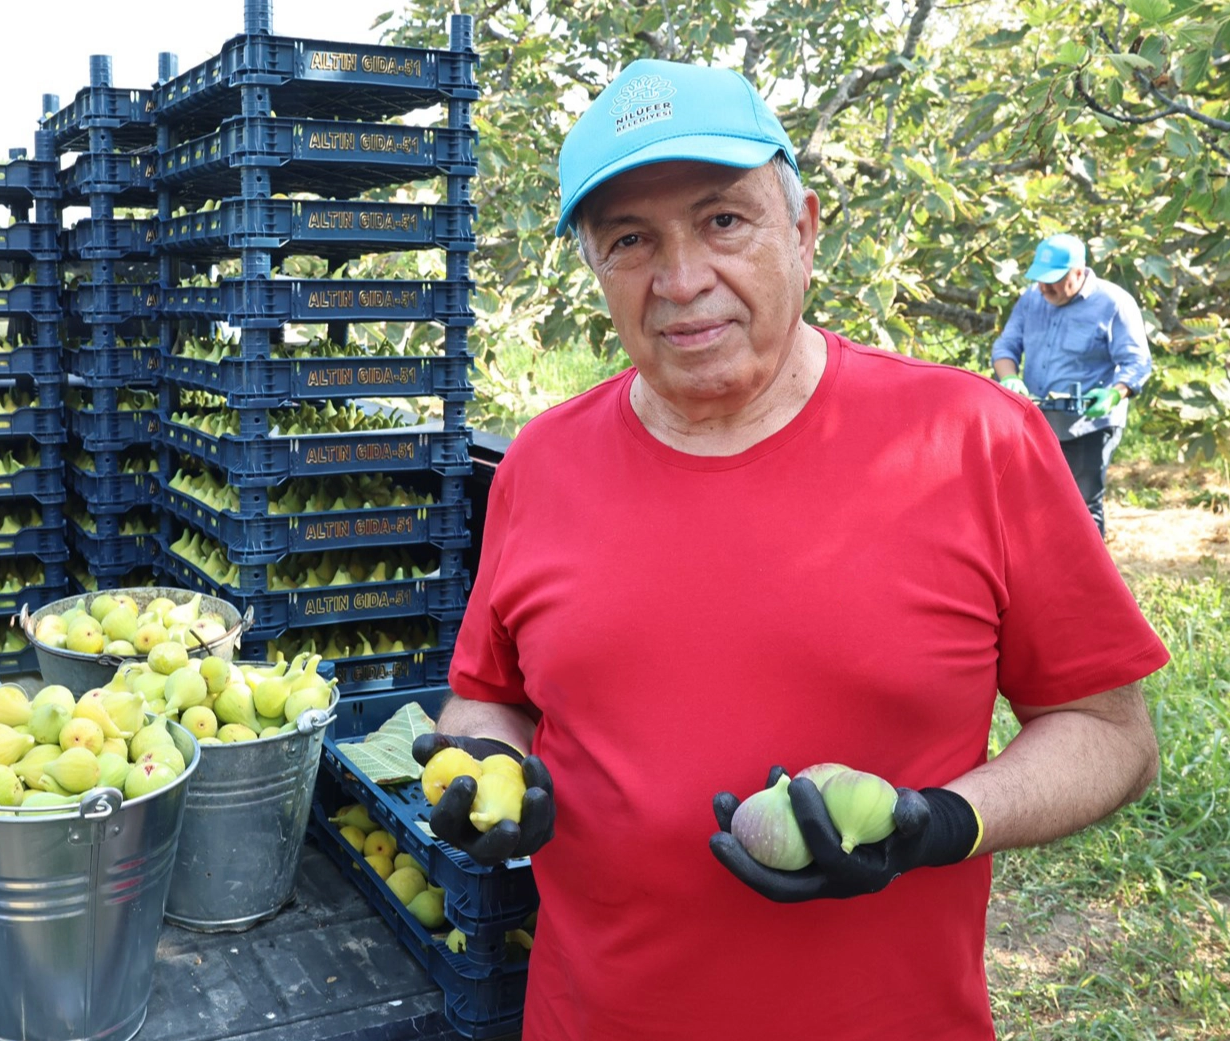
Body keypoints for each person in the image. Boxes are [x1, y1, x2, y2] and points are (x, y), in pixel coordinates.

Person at [411, 59, 1169, 1041]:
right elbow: (488, 692)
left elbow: (1111, 734)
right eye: (630, 240)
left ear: (803, 228)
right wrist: (485, 765)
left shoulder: (969, 439)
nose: (681, 281)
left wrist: (940, 823)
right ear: (595, 267)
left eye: (723, 219)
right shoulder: (542, 463)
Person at [991, 233, 1152, 537]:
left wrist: (1114, 394)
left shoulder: (1114, 303)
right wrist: (1009, 377)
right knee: (1031, 504)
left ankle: (1087, 581)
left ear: (1079, 272)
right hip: (1037, 422)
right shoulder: (1031, 299)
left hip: (1088, 427)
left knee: (1081, 507)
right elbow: (1006, 347)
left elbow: (1137, 363)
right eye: (1040, 278)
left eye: (1053, 279)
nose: (1044, 287)